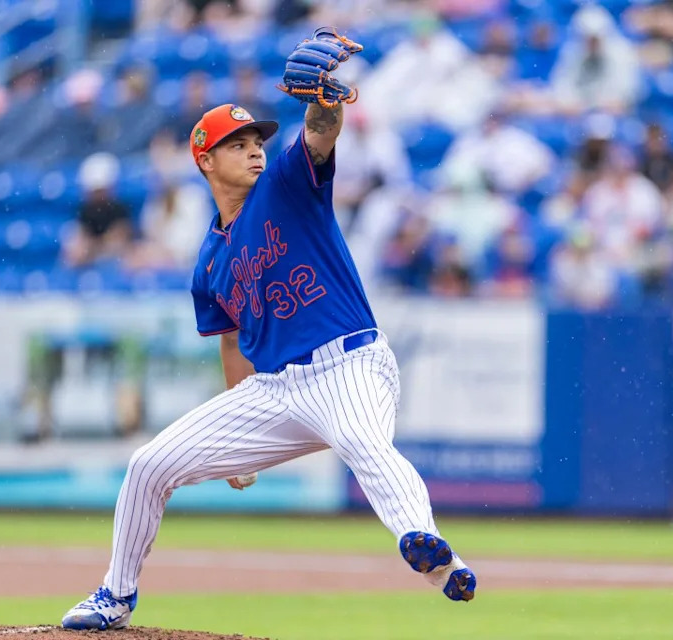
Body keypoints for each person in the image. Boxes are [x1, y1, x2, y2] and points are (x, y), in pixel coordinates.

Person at [61, 29, 476, 631]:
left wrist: (324, 100)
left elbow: (318, 134)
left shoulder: (286, 187)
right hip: (273, 392)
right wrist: (238, 439)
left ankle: (429, 548)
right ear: (205, 160)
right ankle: (115, 596)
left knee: (363, 443)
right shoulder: (208, 260)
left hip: (348, 363)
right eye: (237, 143)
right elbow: (232, 341)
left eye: (257, 138)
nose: (255, 149)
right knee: (149, 465)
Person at [62, 153, 134, 267]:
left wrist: (93, 247)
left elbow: (118, 244)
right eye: (94, 191)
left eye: (100, 191)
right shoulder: (84, 212)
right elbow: (74, 254)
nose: (97, 196)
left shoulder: (119, 211)